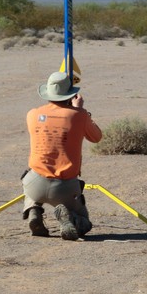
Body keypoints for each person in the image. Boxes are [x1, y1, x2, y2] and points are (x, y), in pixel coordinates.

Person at [22, 71, 102, 241]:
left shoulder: (32, 114)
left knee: (28, 179)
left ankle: (33, 209)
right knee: (85, 222)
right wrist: (79, 110)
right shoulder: (79, 115)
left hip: (34, 183)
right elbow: (96, 137)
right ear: (71, 94)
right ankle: (71, 219)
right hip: (64, 187)